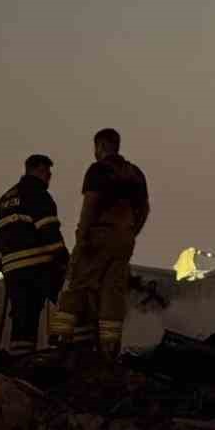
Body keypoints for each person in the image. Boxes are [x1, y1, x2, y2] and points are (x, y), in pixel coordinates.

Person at [64, 128, 149, 369]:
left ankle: (60, 342)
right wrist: (131, 232)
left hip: (99, 236)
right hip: (124, 239)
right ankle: (109, 351)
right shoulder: (135, 173)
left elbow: (90, 205)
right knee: (112, 297)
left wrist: (81, 240)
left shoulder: (98, 170)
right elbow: (144, 209)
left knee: (75, 288)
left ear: (100, 146)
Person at [0, 154, 70, 361]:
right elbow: (49, 230)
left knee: (23, 320)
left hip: (13, 272)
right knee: (69, 302)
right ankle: (66, 347)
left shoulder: (4, 200)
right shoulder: (37, 194)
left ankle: (21, 362)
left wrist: (2, 264)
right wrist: (65, 261)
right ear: (37, 170)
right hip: (38, 266)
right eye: (47, 172)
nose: (49, 176)